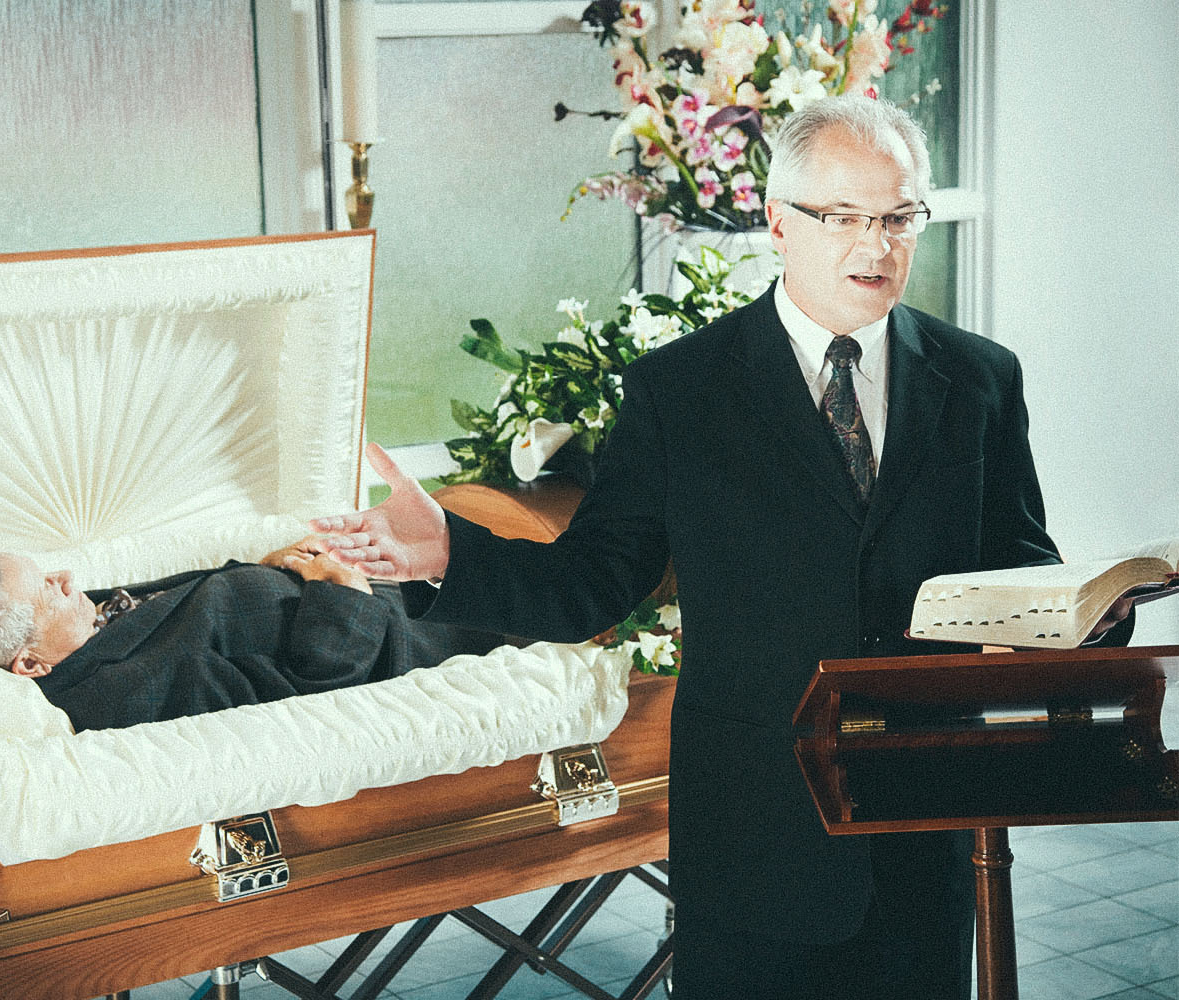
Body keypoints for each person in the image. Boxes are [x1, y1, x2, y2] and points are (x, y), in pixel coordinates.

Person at [310, 96, 1133, 998]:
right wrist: (448, 553)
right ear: (778, 222)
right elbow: (591, 583)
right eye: (845, 217)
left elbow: (1019, 563)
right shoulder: (681, 390)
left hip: (926, 823)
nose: (877, 245)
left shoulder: (979, 377)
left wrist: (1094, 614)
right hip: (755, 828)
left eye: (900, 217)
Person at [0, 537, 499, 732]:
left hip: (378, 587)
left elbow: (201, 611)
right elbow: (306, 698)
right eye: (49, 589)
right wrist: (342, 590)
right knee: (529, 587)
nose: (67, 577)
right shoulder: (120, 695)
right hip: (415, 636)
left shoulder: (80, 636)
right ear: (30, 664)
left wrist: (265, 570)